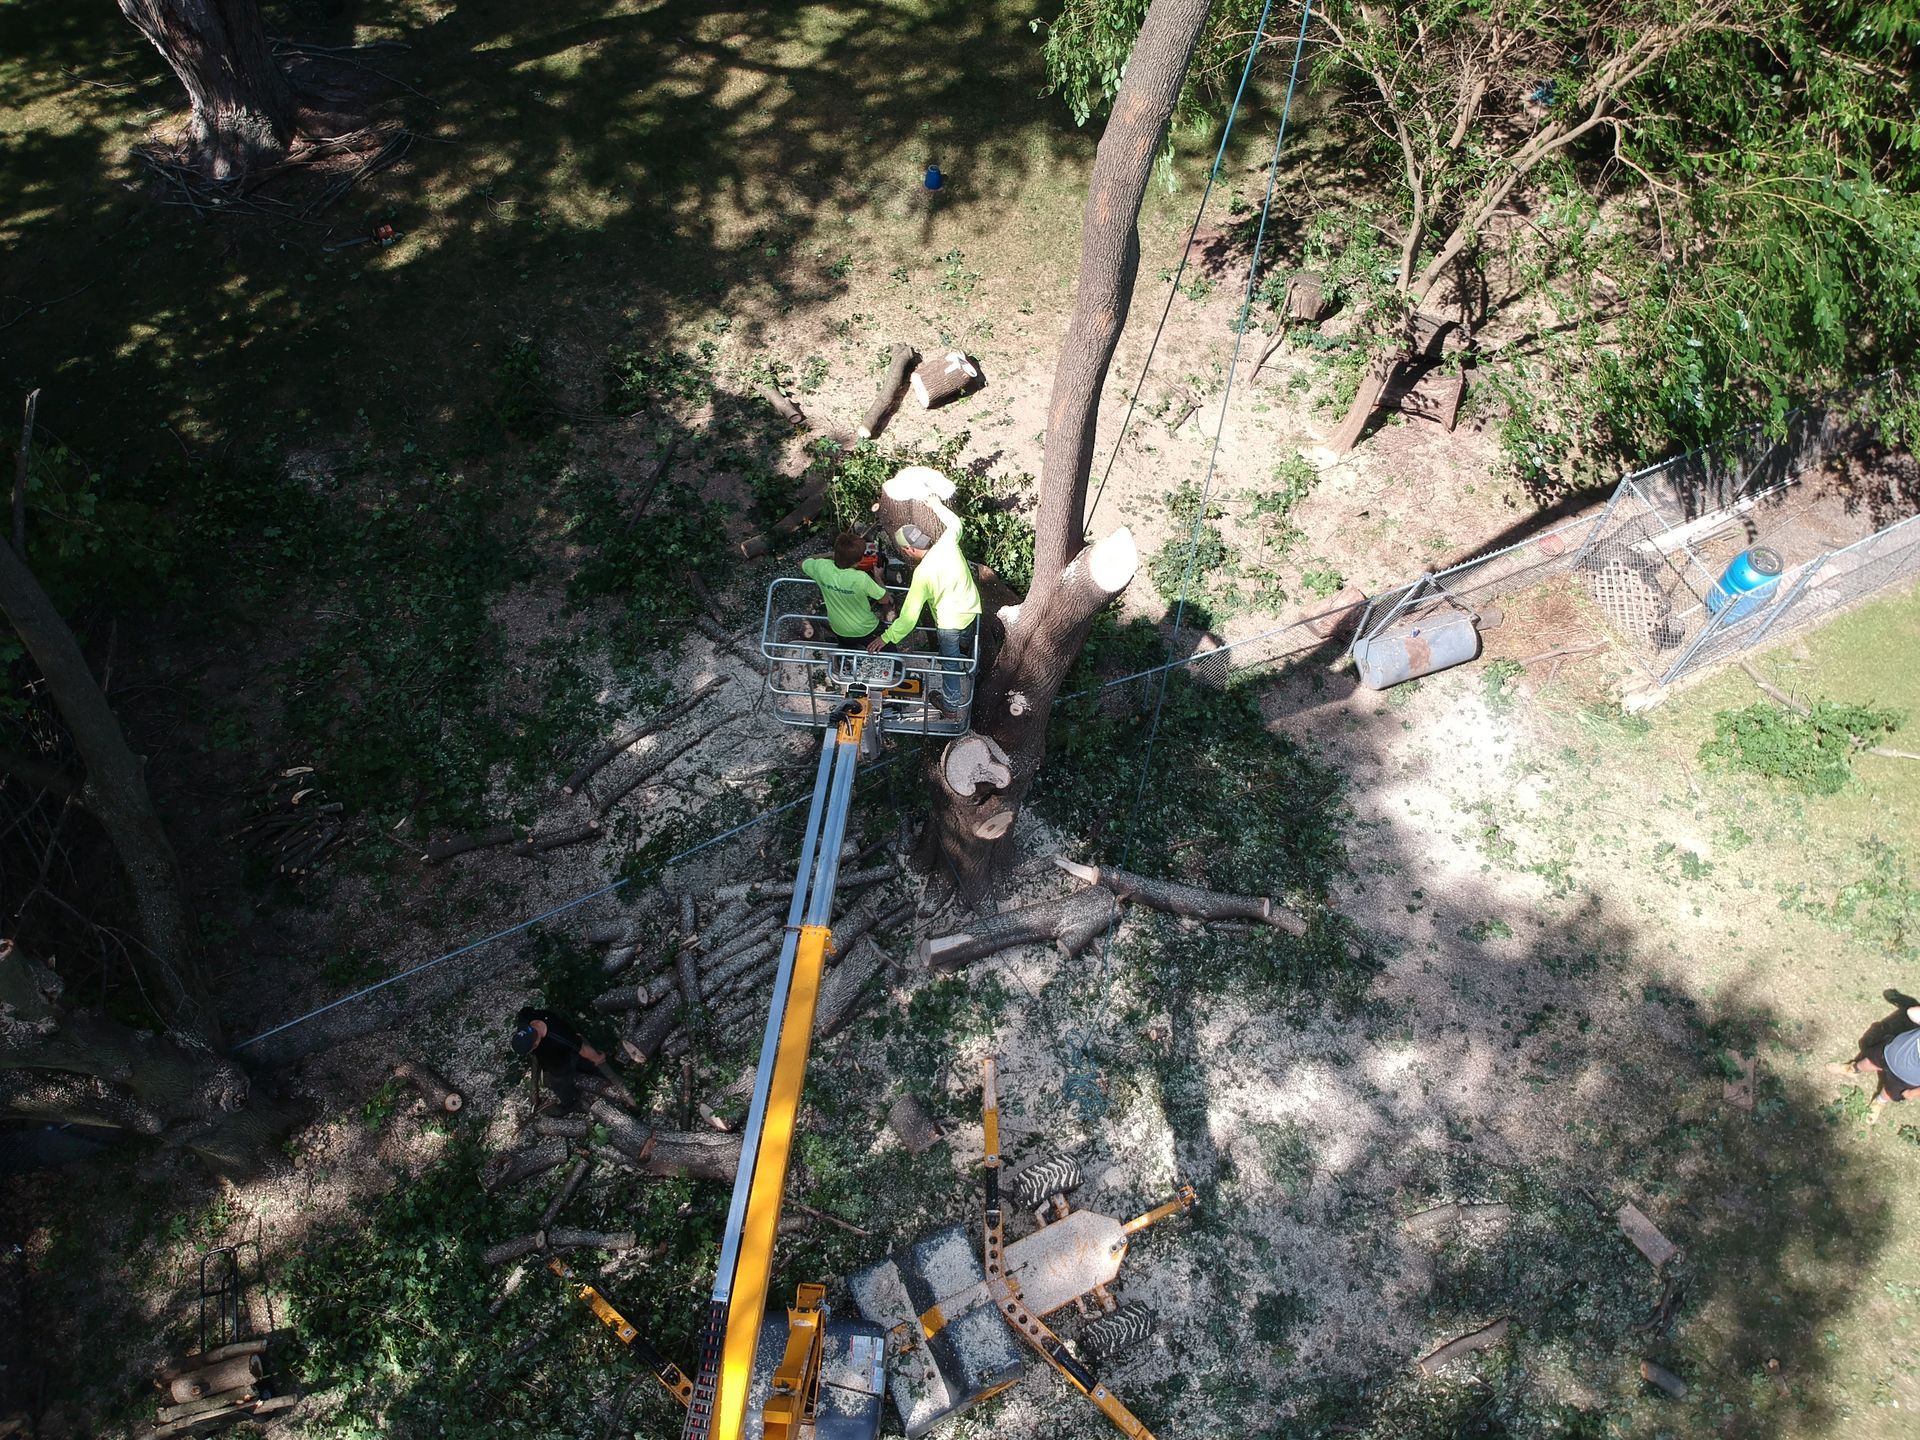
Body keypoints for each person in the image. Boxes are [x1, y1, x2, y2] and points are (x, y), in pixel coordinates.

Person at [869, 490, 980, 712]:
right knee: (967, 641)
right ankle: (969, 661)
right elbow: (956, 524)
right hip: (972, 608)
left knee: (949, 665)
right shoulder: (948, 544)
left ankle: (950, 706)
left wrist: (886, 637)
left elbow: (909, 617)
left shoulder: (923, 575)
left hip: (949, 623)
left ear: (910, 549)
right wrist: (935, 504)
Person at [511, 1006, 620, 1112]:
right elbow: (525, 1010)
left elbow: (584, 1050)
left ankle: (571, 1104)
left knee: (559, 1080)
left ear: (535, 1044)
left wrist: (597, 1058)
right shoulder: (526, 1018)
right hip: (550, 1052)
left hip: (562, 1059)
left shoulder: (560, 1037)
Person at [801, 531, 889, 646]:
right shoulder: (861, 578)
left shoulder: (822, 568)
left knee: (847, 651)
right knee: (890, 650)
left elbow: (803, 561)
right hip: (866, 628)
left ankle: (846, 660)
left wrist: (831, 554)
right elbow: (884, 599)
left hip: (839, 628)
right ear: (858, 561)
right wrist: (878, 577)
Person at [1834, 1002, 1920, 1120]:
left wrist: (1912, 1093)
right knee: (1870, 1061)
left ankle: (1879, 1102)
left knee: (1890, 1091)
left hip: (1906, 1078)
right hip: (1891, 1051)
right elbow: (1912, 1012)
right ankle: (1852, 1069)